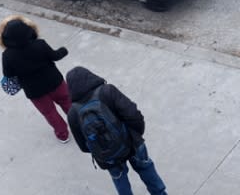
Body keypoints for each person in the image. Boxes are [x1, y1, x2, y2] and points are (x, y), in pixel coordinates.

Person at [66, 66, 167, 195]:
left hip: (109, 157)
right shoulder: (107, 91)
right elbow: (133, 115)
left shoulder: (73, 113)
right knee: (146, 168)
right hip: (132, 143)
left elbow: (84, 146)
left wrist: (103, 148)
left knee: (120, 180)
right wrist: (135, 135)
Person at [0, 15, 72, 143]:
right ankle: (79, 124)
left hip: (35, 92)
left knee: (49, 113)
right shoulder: (40, 44)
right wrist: (64, 50)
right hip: (55, 82)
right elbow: (55, 56)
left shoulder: (7, 55)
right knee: (67, 102)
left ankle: (63, 134)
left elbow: (8, 74)